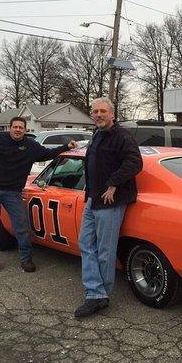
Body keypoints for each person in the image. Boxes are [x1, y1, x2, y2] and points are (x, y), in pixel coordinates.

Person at [0, 117, 77, 273]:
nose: (18, 129)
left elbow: (48, 153)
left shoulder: (30, 146)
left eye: (21, 127)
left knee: (22, 226)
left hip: (13, 192)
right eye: (15, 127)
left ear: (25, 130)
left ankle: (26, 259)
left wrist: (66, 146)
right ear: (10, 127)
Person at [74, 97, 142, 318]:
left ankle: (98, 295)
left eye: (103, 111)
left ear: (112, 114)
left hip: (111, 202)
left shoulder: (122, 136)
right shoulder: (97, 134)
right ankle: (96, 291)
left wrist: (113, 183)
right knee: (85, 244)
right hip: (93, 199)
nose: (98, 115)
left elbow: (134, 162)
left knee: (105, 250)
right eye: (95, 112)